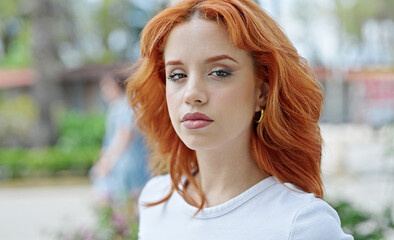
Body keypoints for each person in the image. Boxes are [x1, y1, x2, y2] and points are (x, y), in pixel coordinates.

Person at [126, 0, 353, 239]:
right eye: (177, 75)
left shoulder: (302, 223)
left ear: (263, 92)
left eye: (219, 72)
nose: (192, 93)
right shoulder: (155, 202)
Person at [90, 70, 150, 204]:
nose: (103, 91)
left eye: (106, 86)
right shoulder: (119, 106)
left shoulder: (124, 106)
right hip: (124, 162)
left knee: (123, 204)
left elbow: (124, 136)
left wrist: (107, 162)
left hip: (125, 164)